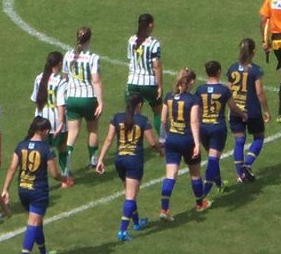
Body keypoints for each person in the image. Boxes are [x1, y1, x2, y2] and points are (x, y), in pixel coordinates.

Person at [0, 117, 59, 254]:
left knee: (36, 222)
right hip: (38, 191)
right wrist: (65, 179)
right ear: (43, 130)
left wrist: (5, 189)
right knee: (33, 224)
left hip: (23, 190)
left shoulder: (21, 145)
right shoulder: (47, 149)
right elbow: (54, 174)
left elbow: (12, 168)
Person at [93, 97, 158, 242]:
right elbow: (152, 142)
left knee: (129, 192)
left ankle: (136, 222)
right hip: (134, 160)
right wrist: (161, 151)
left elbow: (109, 139)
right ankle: (122, 231)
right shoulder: (142, 120)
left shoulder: (117, 118)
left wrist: (101, 159)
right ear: (139, 105)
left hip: (119, 160)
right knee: (131, 195)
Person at [158, 68, 204, 219]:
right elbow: (194, 121)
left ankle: (164, 209)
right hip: (187, 139)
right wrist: (197, 143)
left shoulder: (168, 97)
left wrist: (165, 136)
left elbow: (163, 120)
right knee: (195, 174)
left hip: (172, 139)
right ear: (190, 82)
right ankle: (200, 204)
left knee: (170, 175)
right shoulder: (193, 99)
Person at [60, 28, 105, 182]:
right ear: (89, 40)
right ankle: (93, 160)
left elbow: (65, 77)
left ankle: (67, 166)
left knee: (72, 133)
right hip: (88, 98)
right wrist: (100, 102)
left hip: (72, 98)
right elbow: (96, 80)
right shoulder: (93, 57)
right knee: (92, 129)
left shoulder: (67, 55)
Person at [225, 39, 269, 183]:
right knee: (259, 137)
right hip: (252, 110)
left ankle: (240, 175)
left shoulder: (232, 68)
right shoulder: (256, 70)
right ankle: (248, 164)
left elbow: (228, 91)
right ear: (253, 52)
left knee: (239, 141)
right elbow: (259, 93)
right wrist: (266, 110)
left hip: (236, 110)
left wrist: (229, 109)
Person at [30, 51, 71, 183]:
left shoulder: (39, 78)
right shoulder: (61, 81)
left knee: (41, 148)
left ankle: (37, 176)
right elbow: (61, 104)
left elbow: (35, 99)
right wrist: (61, 122)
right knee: (62, 147)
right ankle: (64, 174)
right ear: (59, 63)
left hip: (40, 120)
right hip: (54, 121)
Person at [195, 61, 232, 197]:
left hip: (203, 127)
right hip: (218, 127)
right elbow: (233, 107)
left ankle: (219, 184)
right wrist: (243, 114)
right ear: (219, 72)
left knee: (213, 158)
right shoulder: (224, 90)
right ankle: (204, 192)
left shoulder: (200, 90)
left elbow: (197, 111)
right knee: (213, 159)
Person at [125, 13, 163, 120]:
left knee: (134, 113)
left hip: (132, 82)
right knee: (158, 113)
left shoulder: (131, 40)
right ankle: (163, 137)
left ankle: (132, 136)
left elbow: (130, 58)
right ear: (150, 25)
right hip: (149, 83)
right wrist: (159, 86)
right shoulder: (154, 43)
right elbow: (156, 66)